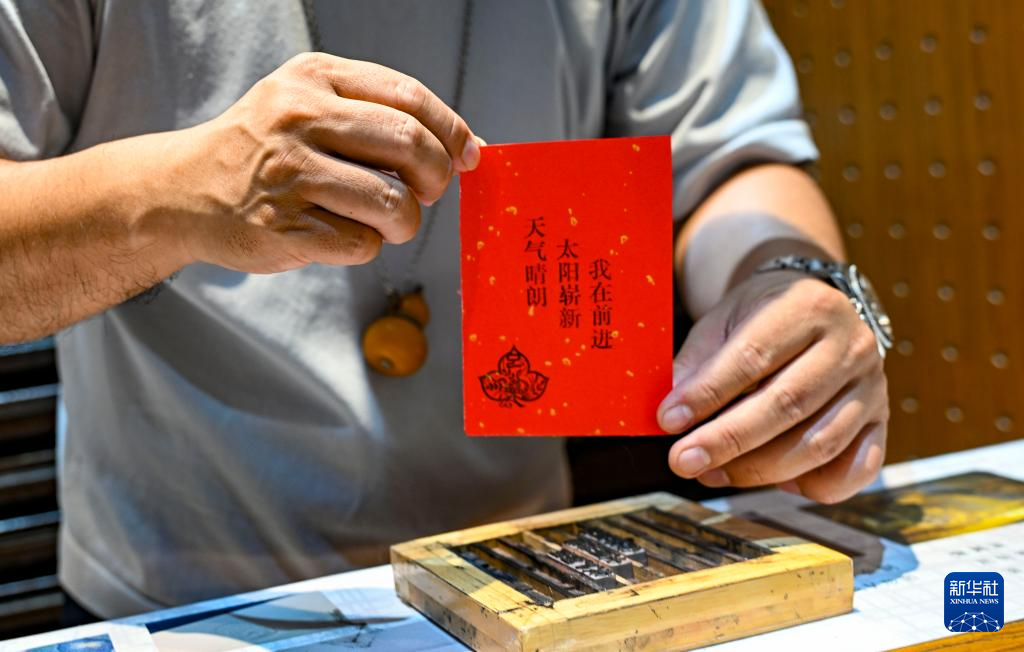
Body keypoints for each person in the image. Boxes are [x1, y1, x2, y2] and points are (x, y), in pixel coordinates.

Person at [0, 0, 889, 618]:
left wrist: (786, 282)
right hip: (181, 600)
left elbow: (731, 160)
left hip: (528, 579)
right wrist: (174, 194)